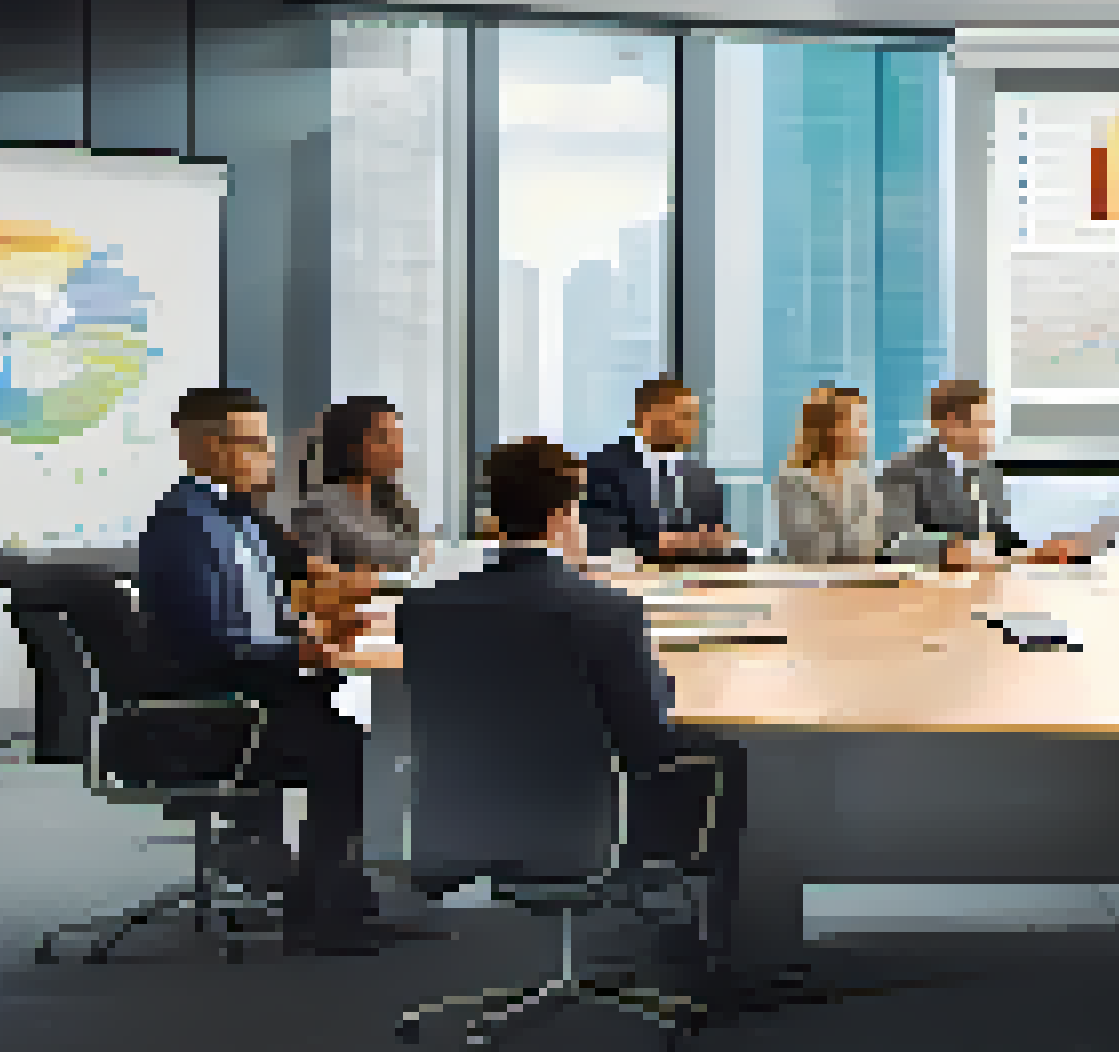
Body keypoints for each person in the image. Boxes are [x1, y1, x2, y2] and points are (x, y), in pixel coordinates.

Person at [397, 438, 739, 984]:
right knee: (723, 758)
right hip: (581, 825)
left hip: (462, 817)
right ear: (563, 516)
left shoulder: (423, 608)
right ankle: (704, 944)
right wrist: (664, 682)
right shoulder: (604, 610)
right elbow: (648, 739)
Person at [136, 387, 430, 955]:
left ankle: (331, 897)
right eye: (254, 446)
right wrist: (302, 652)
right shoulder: (187, 527)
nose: (269, 459)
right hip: (212, 712)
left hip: (252, 690)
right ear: (205, 447)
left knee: (346, 724)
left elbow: (258, 617)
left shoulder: (236, 518)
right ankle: (327, 910)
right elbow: (207, 644)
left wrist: (309, 638)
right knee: (344, 744)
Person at [878, 380, 1087, 569]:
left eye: (989, 424)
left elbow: (1000, 537)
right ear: (950, 425)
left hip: (984, 585)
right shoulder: (903, 470)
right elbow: (893, 541)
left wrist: (1036, 553)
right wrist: (948, 550)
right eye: (981, 424)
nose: (989, 434)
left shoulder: (988, 472)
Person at [582, 377, 741, 563]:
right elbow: (604, 543)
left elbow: (717, 542)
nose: (694, 424)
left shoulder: (702, 476)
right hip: (631, 583)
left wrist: (722, 543)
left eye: (695, 416)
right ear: (647, 415)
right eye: (685, 415)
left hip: (696, 584)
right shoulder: (604, 466)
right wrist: (669, 544)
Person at [289, 396, 427, 575]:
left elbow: (416, 562)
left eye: (397, 437)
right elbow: (320, 578)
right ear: (352, 443)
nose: (396, 447)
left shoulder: (397, 502)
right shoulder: (316, 511)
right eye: (384, 438)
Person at [774, 385, 886, 565]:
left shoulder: (858, 477)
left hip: (862, 579)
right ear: (829, 427)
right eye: (857, 421)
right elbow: (811, 549)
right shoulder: (794, 480)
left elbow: (878, 540)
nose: (864, 432)